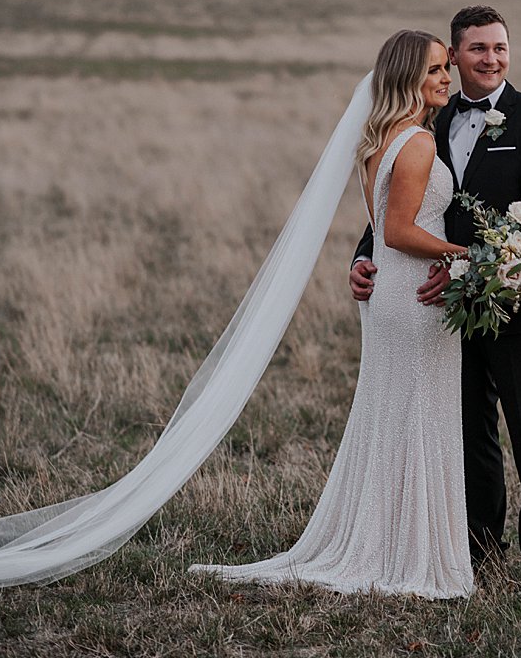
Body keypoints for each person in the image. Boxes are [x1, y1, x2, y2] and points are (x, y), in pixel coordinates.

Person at [189, 30, 475, 598]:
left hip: (393, 293)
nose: (448, 78)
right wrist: (472, 256)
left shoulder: (381, 140)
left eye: (447, 68)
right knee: (417, 414)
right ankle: (407, 555)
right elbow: (397, 232)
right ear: (408, 78)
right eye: (437, 69)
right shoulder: (417, 142)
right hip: (417, 295)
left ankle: (390, 540)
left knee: (396, 413)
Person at [351, 6, 521, 591]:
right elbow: (400, 201)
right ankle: (475, 543)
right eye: (476, 50)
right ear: (455, 55)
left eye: (499, 47)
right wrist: (364, 256)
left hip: (510, 301)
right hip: (436, 303)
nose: (490, 58)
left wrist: (467, 266)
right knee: (467, 428)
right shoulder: (434, 119)